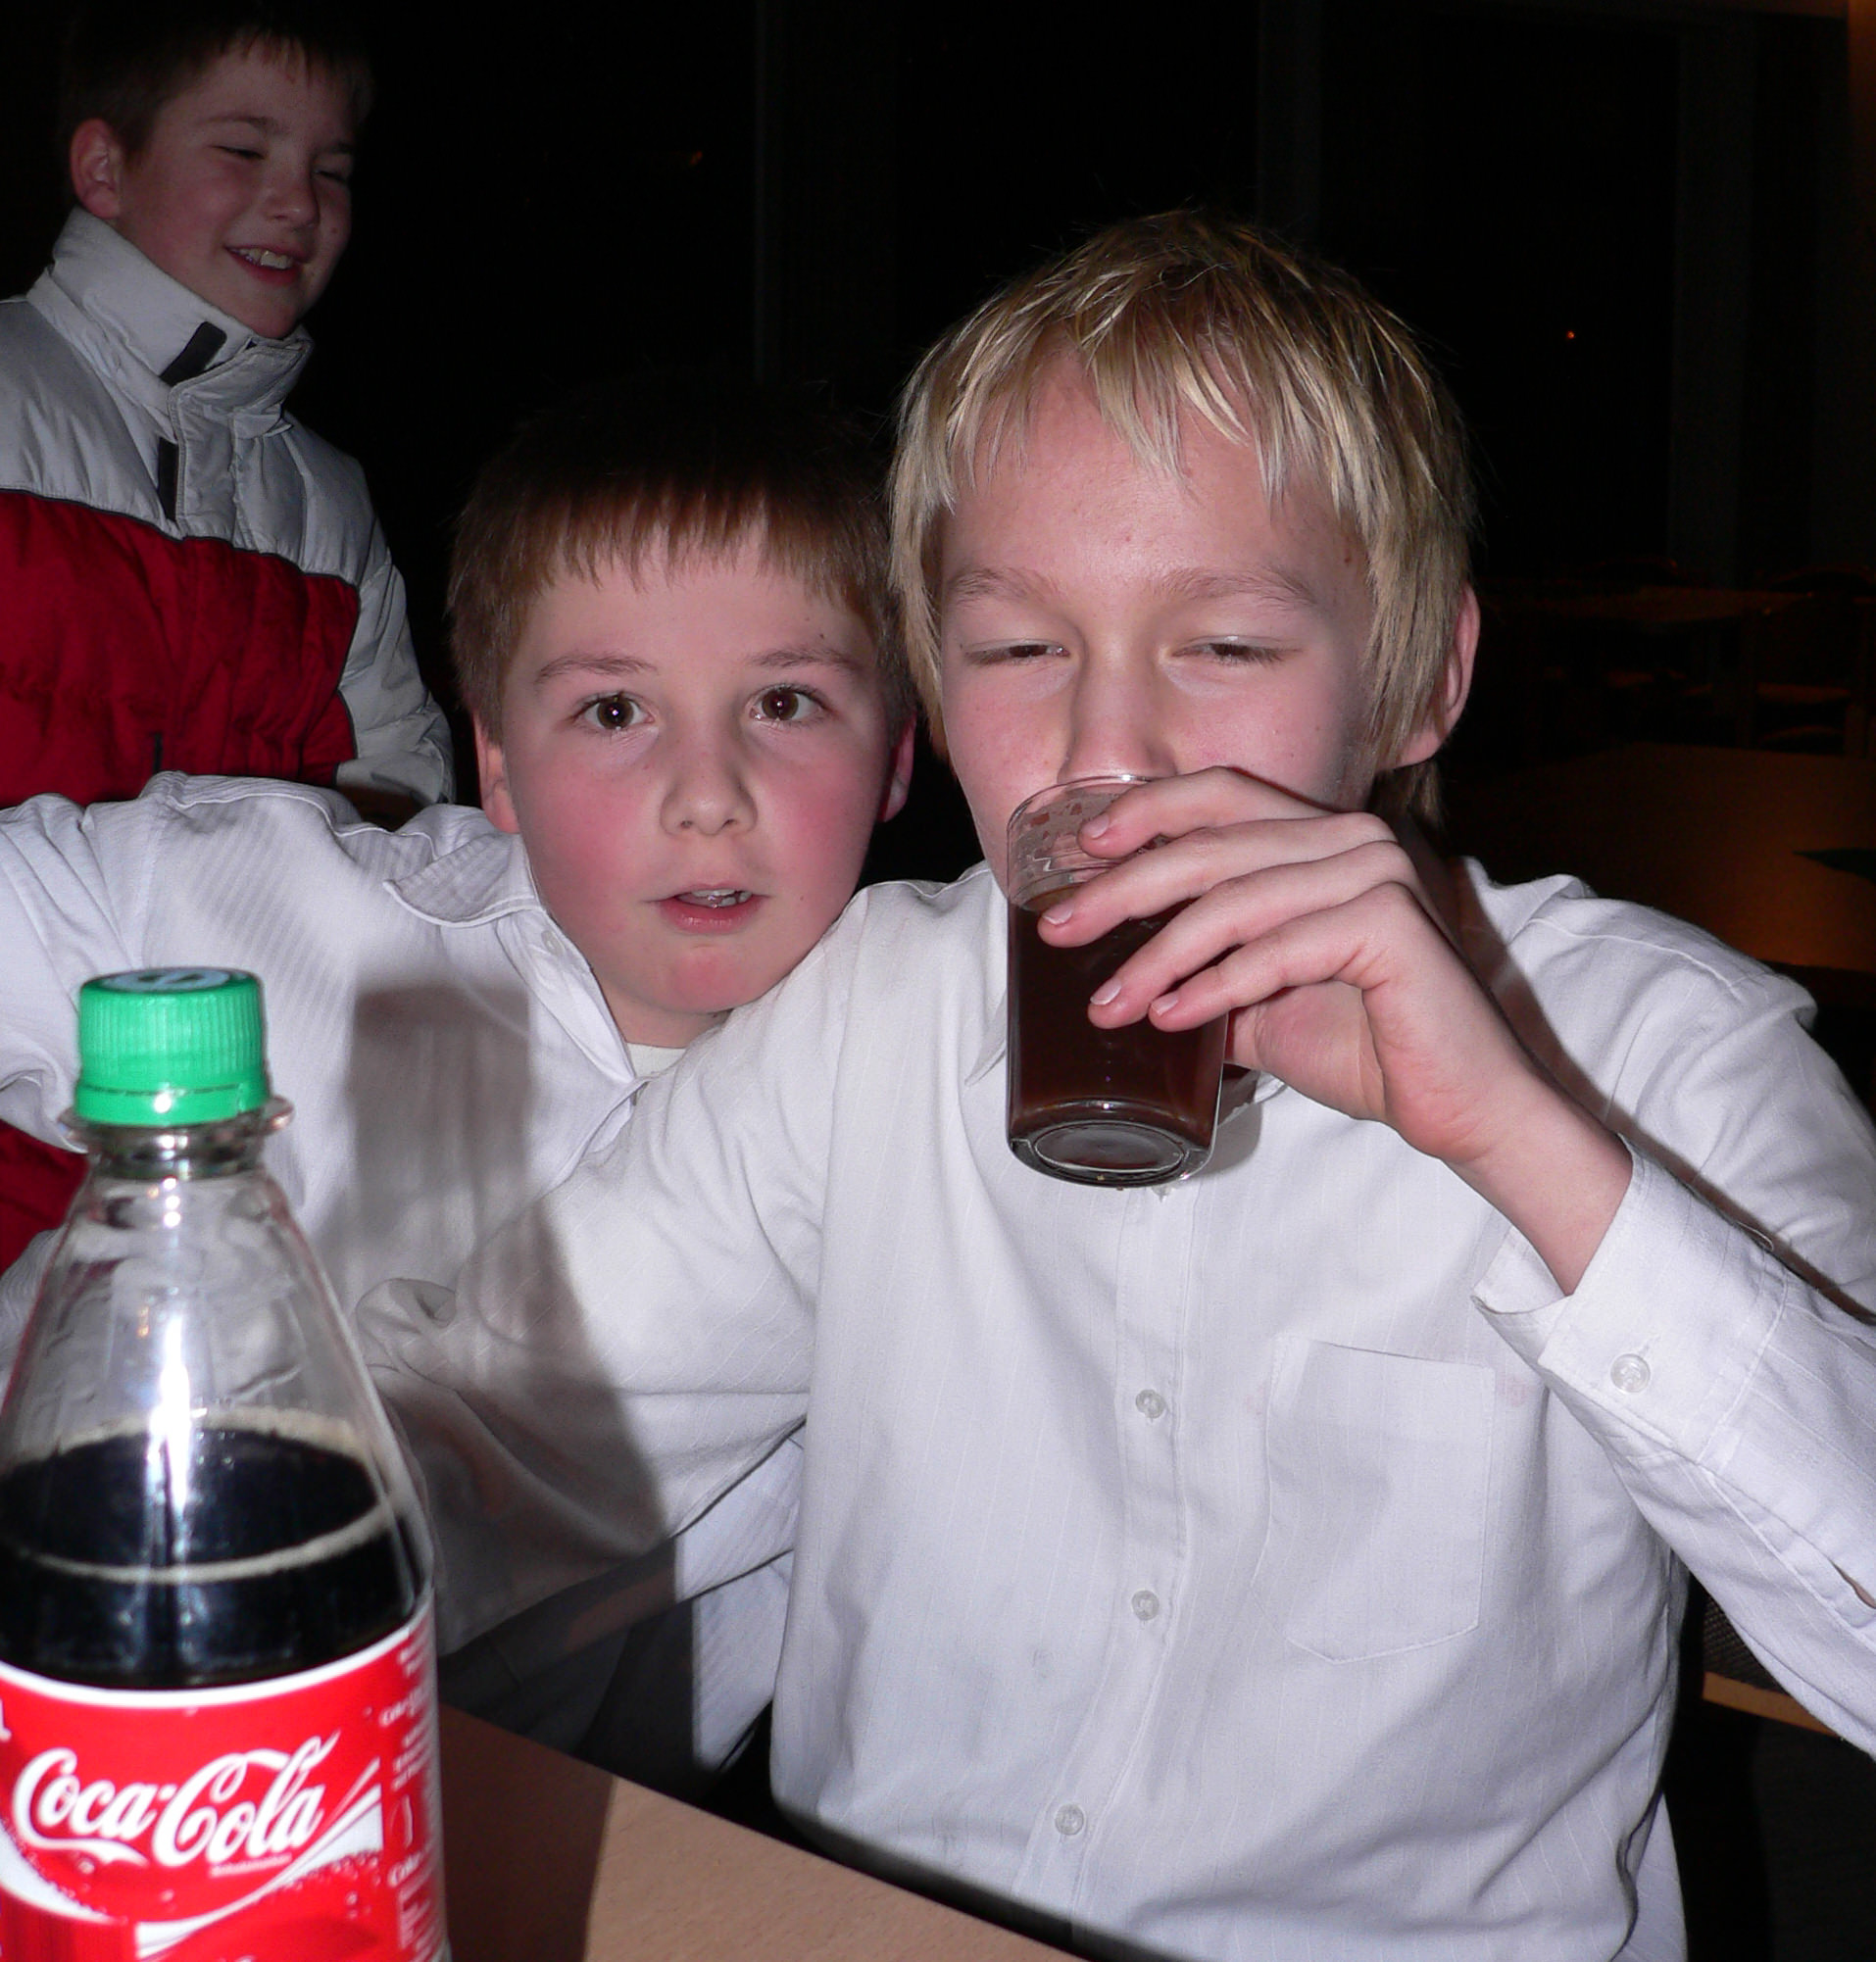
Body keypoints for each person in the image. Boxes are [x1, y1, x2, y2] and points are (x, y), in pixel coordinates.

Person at [359, 214, 1876, 1960]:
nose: (1102, 755)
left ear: (1419, 681)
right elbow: (487, 1429)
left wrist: (1522, 1142)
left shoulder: (1674, 1051)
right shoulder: (871, 1015)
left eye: (1221, 646)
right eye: (1019, 650)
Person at [0, 377, 915, 1792]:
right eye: (615, 709)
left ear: (898, 750)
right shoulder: (260, 899)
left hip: (493, 1829)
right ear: (495, 758)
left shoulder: (919, 1103)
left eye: (784, 702)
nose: (707, 792)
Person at [0, 1, 454, 1270]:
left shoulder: (330, 503)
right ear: (105, 167)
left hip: (228, 1175)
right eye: (244, 150)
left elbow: (404, 822)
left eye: (331, 168)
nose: (296, 202)